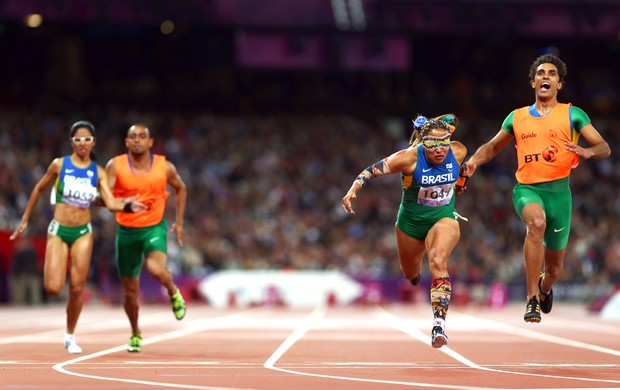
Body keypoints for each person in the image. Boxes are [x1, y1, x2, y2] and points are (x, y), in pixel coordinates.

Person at [461, 53, 611, 323]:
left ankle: (544, 287)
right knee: (536, 224)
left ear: (559, 85)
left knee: (554, 269)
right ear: (533, 82)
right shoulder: (517, 118)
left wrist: (588, 152)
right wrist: (472, 162)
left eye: (552, 74)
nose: (546, 77)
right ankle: (532, 300)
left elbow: (604, 147)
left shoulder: (572, 114)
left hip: (560, 195)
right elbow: (493, 147)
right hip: (527, 190)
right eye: (541, 73)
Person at [10, 120, 147, 354]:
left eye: (86, 139)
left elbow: (110, 201)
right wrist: (25, 219)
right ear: (71, 142)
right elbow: (38, 189)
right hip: (59, 230)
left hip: (83, 232)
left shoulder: (98, 172)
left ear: (93, 142)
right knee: (53, 288)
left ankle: (70, 335)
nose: (82, 144)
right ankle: (62, 301)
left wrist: (126, 205)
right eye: (77, 140)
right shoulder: (59, 165)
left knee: (76, 288)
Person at [342, 114, 467, 348]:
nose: (439, 149)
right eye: (432, 144)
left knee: (438, 261)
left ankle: (439, 325)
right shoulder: (408, 158)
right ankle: (414, 275)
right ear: (422, 142)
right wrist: (352, 190)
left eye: (444, 142)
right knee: (410, 275)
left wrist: (461, 183)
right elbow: (369, 171)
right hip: (410, 225)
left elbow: (455, 128)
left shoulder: (458, 151)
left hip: (443, 218)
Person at [105, 123, 188, 353]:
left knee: (156, 269)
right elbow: (102, 198)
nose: (138, 140)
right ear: (127, 142)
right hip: (126, 232)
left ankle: (173, 292)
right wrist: (125, 205)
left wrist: (179, 222)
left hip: (154, 228)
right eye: (133, 137)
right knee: (131, 293)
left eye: (142, 136)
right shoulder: (116, 166)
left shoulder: (164, 167)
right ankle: (135, 333)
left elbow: (181, 188)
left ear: (151, 142)